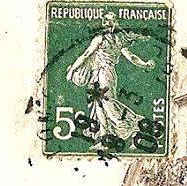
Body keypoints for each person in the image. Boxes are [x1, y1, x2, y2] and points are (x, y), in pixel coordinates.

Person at [66, 12, 156, 147]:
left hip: (104, 74)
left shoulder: (104, 39)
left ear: (115, 23)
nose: (107, 24)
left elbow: (86, 55)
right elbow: (130, 56)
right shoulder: (114, 39)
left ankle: (132, 124)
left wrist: (72, 70)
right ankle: (104, 137)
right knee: (99, 106)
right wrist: (144, 64)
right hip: (101, 74)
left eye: (110, 21)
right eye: (105, 21)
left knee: (107, 104)